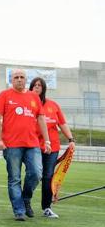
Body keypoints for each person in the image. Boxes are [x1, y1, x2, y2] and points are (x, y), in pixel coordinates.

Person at [0, 69, 52, 221]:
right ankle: (19, 210)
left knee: (37, 173)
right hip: (11, 145)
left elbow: (41, 119)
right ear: (11, 80)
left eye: (22, 77)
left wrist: (47, 141)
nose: (19, 79)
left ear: (26, 80)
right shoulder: (4, 95)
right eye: (16, 77)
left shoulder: (34, 97)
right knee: (14, 178)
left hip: (32, 143)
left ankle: (26, 198)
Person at [29, 77, 75, 219]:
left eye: (39, 85)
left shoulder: (53, 105)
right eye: (34, 85)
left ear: (43, 89)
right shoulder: (27, 104)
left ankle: (46, 207)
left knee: (48, 176)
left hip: (52, 147)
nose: (37, 88)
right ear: (31, 88)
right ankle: (25, 203)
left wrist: (71, 139)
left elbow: (62, 123)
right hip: (33, 146)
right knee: (33, 174)